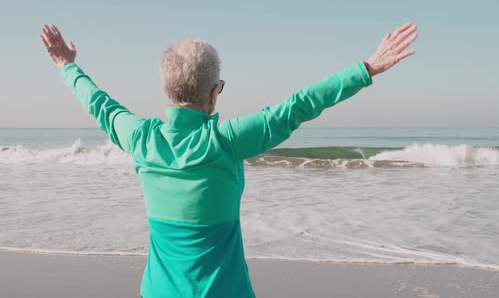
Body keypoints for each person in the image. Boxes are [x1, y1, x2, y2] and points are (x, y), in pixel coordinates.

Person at [40, 22, 418, 297]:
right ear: (214, 92)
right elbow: (298, 106)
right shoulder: (225, 141)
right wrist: (365, 69)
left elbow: (99, 104)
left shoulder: (141, 139)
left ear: (166, 89)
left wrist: (66, 65)